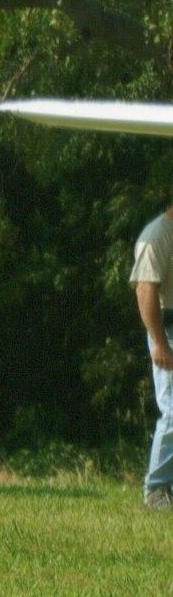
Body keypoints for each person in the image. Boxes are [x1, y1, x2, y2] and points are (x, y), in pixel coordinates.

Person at [132, 196, 173, 510]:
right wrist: (159, 343)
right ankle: (156, 490)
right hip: (168, 330)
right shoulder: (157, 235)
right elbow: (145, 289)